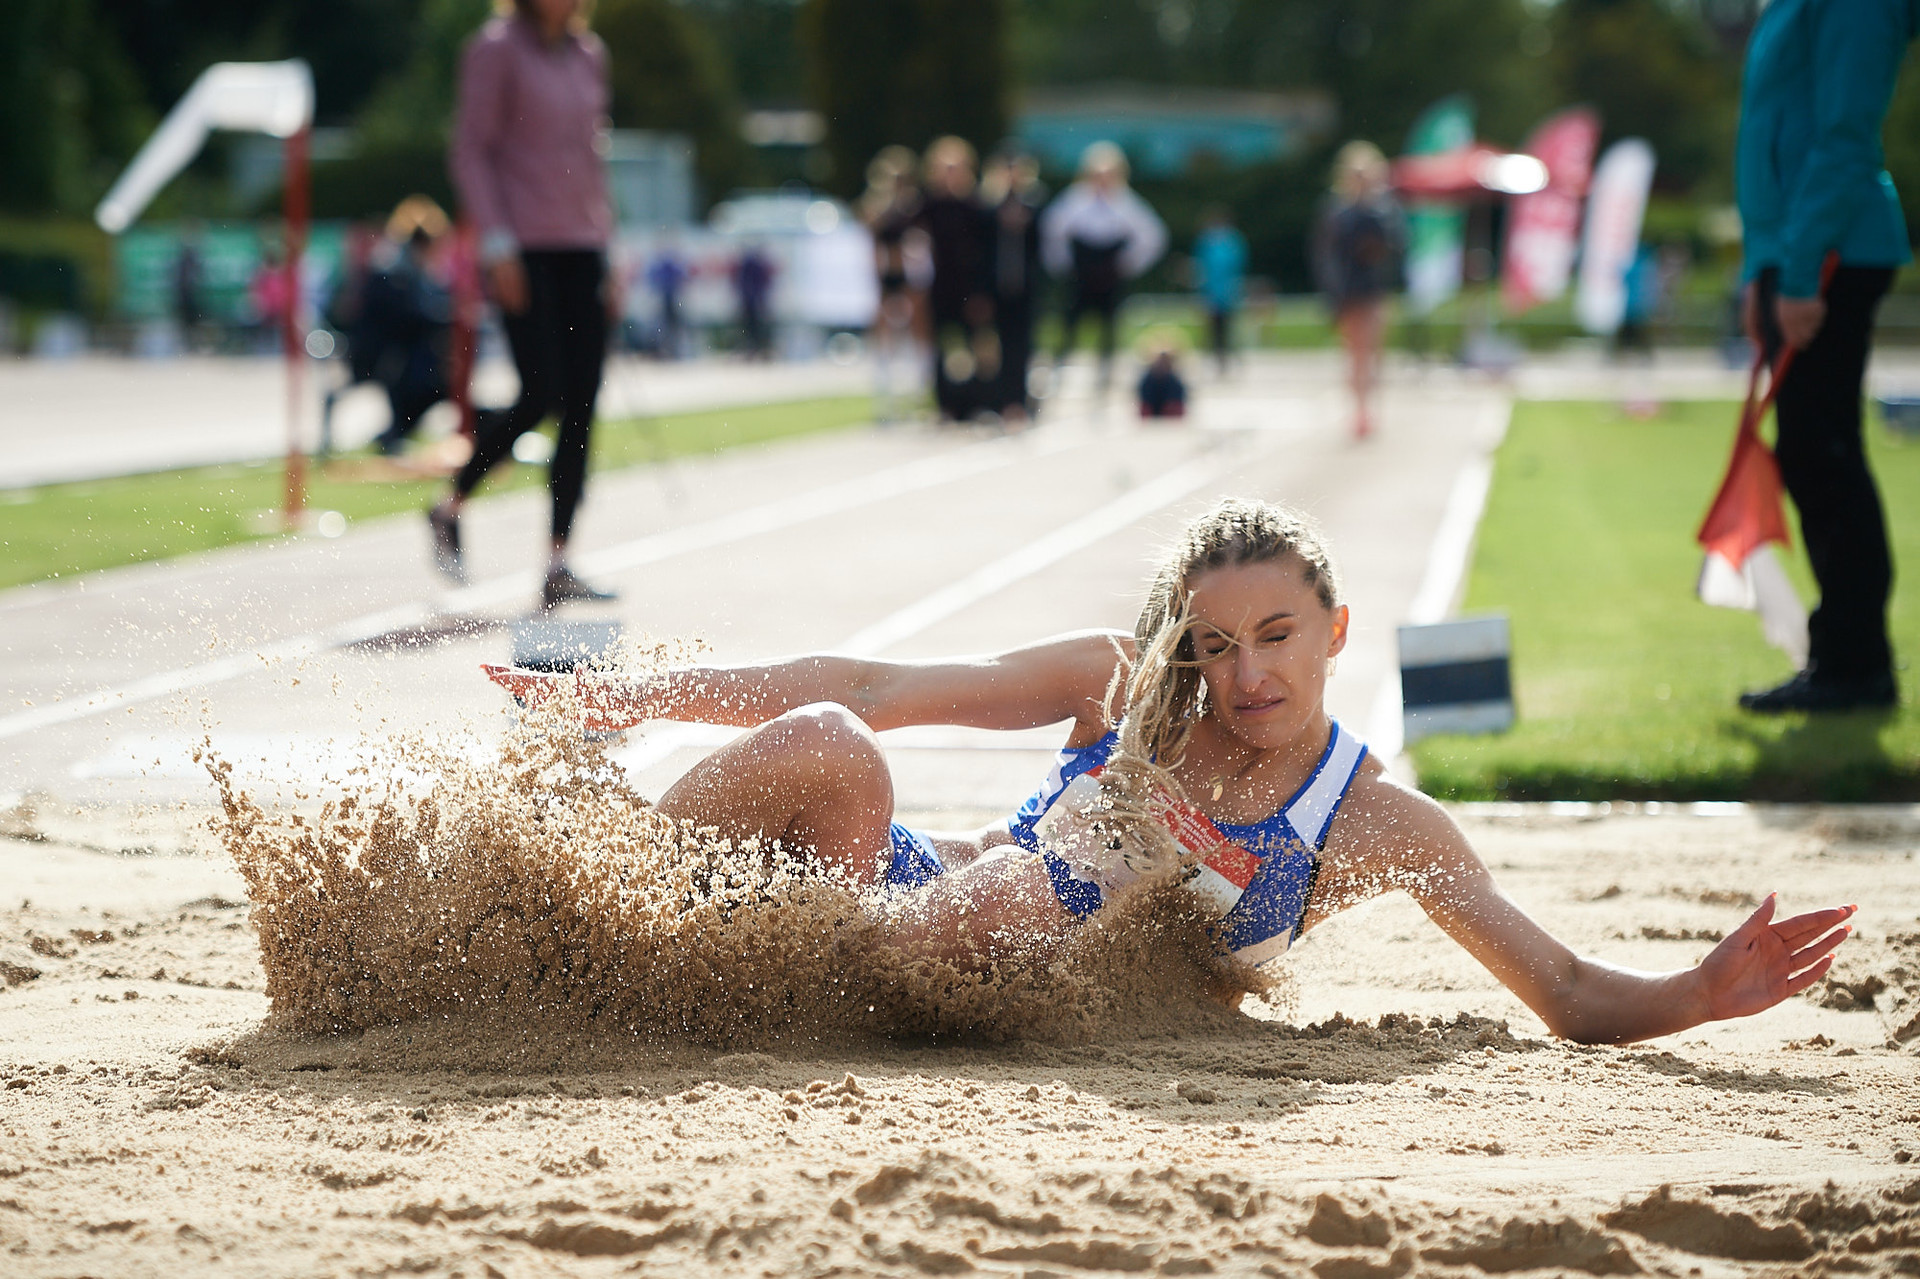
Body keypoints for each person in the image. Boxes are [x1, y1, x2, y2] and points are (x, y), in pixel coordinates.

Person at [486, 498, 1854, 1044]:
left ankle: (688, 963)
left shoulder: (1377, 822)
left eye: (1277, 639)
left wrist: (1698, 991)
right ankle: (598, 914)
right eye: (1218, 644)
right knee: (836, 752)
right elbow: (874, 688)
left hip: (999, 984)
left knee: (1021, 904)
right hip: (874, 910)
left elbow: (1559, 989)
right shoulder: (1123, 688)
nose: (1247, 676)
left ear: (1334, 633)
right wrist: (624, 693)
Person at [1733, 0, 1915, 714]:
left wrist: (1801, 270)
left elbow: (1845, 136)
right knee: (1811, 454)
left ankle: (1856, 665)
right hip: (1796, 251)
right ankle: (1843, 657)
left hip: (1835, 246)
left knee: (1825, 454)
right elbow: (1768, 128)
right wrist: (1763, 267)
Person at [429, 0, 617, 611]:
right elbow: (471, 151)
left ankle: (559, 560)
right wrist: (498, 244)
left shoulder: (589, 54)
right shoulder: (495, 49)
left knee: (583, 404)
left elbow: (593, 159)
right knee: (542, 393)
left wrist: (607, 253)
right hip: (523, 248)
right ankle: (451, 502)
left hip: (581, 248)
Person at [1042, 142, 1167, 394]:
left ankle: (1105, 375)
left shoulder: (1127, 202)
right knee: (1069, 323)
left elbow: (1153, 236)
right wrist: (1063, 265)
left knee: (1109, 326)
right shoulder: (1074, 199)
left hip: (1110, 272)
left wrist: (1128, 264)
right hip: (1081, 271)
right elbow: (1052, 231)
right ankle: (1057, 372)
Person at [1313, 141, 1405, 441]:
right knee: (1355, 354)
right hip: (1348, 291)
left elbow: (1393, 247)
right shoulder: (1336, 212)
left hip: (1373, 290)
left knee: (1372, 352)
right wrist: (1333, 293)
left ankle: (1368, 407)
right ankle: (1359, 409)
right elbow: (1327, 254)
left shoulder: (1384, 210)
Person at [361, 197, 455, 456]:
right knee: (424, 382)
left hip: (409, 352)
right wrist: (444, 318)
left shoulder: (413, 268)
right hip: (387, 354)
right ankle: (397, 432)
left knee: (439, 376)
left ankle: (398, 431)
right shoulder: (393, 271)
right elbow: (404, 319)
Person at [916, 137, 996, 422]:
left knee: (979, 347)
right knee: (940, 348)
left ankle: (979, 403)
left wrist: (983, 292)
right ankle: (944, 406)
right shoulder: (927, 204)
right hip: (940, 287)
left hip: (972, 288)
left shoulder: (978, 205)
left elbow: (987, 251)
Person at [860, 146, 928, 425]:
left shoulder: (914, 208)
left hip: (910, 277)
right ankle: (885, 399)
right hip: (883, 278)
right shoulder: (875, 207)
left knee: (919, 335)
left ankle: (919, 394)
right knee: (883, 339)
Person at [983, 149, 1046, 422]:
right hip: (995, 287)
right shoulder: (988, 207)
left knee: (1022, 348)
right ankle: (996, 400)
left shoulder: (1035, 206)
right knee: (993, 348)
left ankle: (1018, 402)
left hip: (1024, 287)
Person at [1192, 208, 1248, 376]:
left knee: (1228, 328)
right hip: (1211, 292)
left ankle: (1228, 359)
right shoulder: (1206, 242)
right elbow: (1200, 267)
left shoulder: (1233, 241)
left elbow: (1238, 266)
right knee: (1212, 329)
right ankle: (1216, 360)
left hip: (1228, 292)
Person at [1136, 346, 1188, 419]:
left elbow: (1177, 408)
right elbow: (1144, 407)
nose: (1162, 363)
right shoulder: (1147, 381)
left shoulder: (1175, 382)